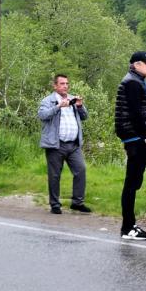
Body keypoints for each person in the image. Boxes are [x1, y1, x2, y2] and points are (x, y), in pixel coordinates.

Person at [115, 50, 146, 241]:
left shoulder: (137, 81)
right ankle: (128, 228)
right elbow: (135, 114)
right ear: (135, 65)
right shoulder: (132, 82)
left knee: (134, 182)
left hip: (136, 138)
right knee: (131, 183)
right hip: (135, 139)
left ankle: (129, 225)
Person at [37, 74, 91, 215]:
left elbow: (84, 116)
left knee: (81, 170)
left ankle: (77, 203)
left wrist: (80, 106)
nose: (65, 86)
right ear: (55, 86)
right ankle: (55, 205)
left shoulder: (73, 99)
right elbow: (42, 115)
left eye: (67, 83)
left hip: (73, 144)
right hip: (56, 144)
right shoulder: (48, 100)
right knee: (54, 175)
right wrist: (59, 106)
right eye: (62, 83)